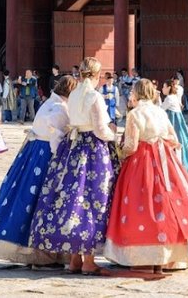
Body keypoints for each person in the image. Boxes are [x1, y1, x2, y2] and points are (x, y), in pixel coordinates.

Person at [104, 78, 188, 273]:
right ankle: (171, 253)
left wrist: (119, 150)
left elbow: (131, 146)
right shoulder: (160, 111)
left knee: (139, 203)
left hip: (141, 162)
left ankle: (140, 253)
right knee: (168, 201)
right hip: (165, 160)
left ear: (136, 93)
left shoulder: (135, 114)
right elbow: (174, 139)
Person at [29, 57, 119, 276]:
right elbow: (100, 129)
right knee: (92, 200)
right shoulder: (94, 96)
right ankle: (89, 260)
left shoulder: (75, 93)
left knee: (71, 198)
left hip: (73, 148)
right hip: (92, 150)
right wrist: (114, 134)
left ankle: (74, 259)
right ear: (97, 75)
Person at [0, 76, 77, 266]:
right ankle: (44, 251)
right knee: (46, 201)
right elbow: (58, 137)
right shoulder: (61, 108)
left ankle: (35, 250)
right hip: (47, 155)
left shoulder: (47, 103)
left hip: (33, 154)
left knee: (27, 200)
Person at [161, 78, 188, 174]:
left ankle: (179, 163)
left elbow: (161, 109)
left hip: (173, 122)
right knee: (183, 139)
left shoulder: (169, 98)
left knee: (175, 140)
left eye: (164, 87)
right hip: (178, 120)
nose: (162, 89)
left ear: (169, 88)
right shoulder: (174, 96)